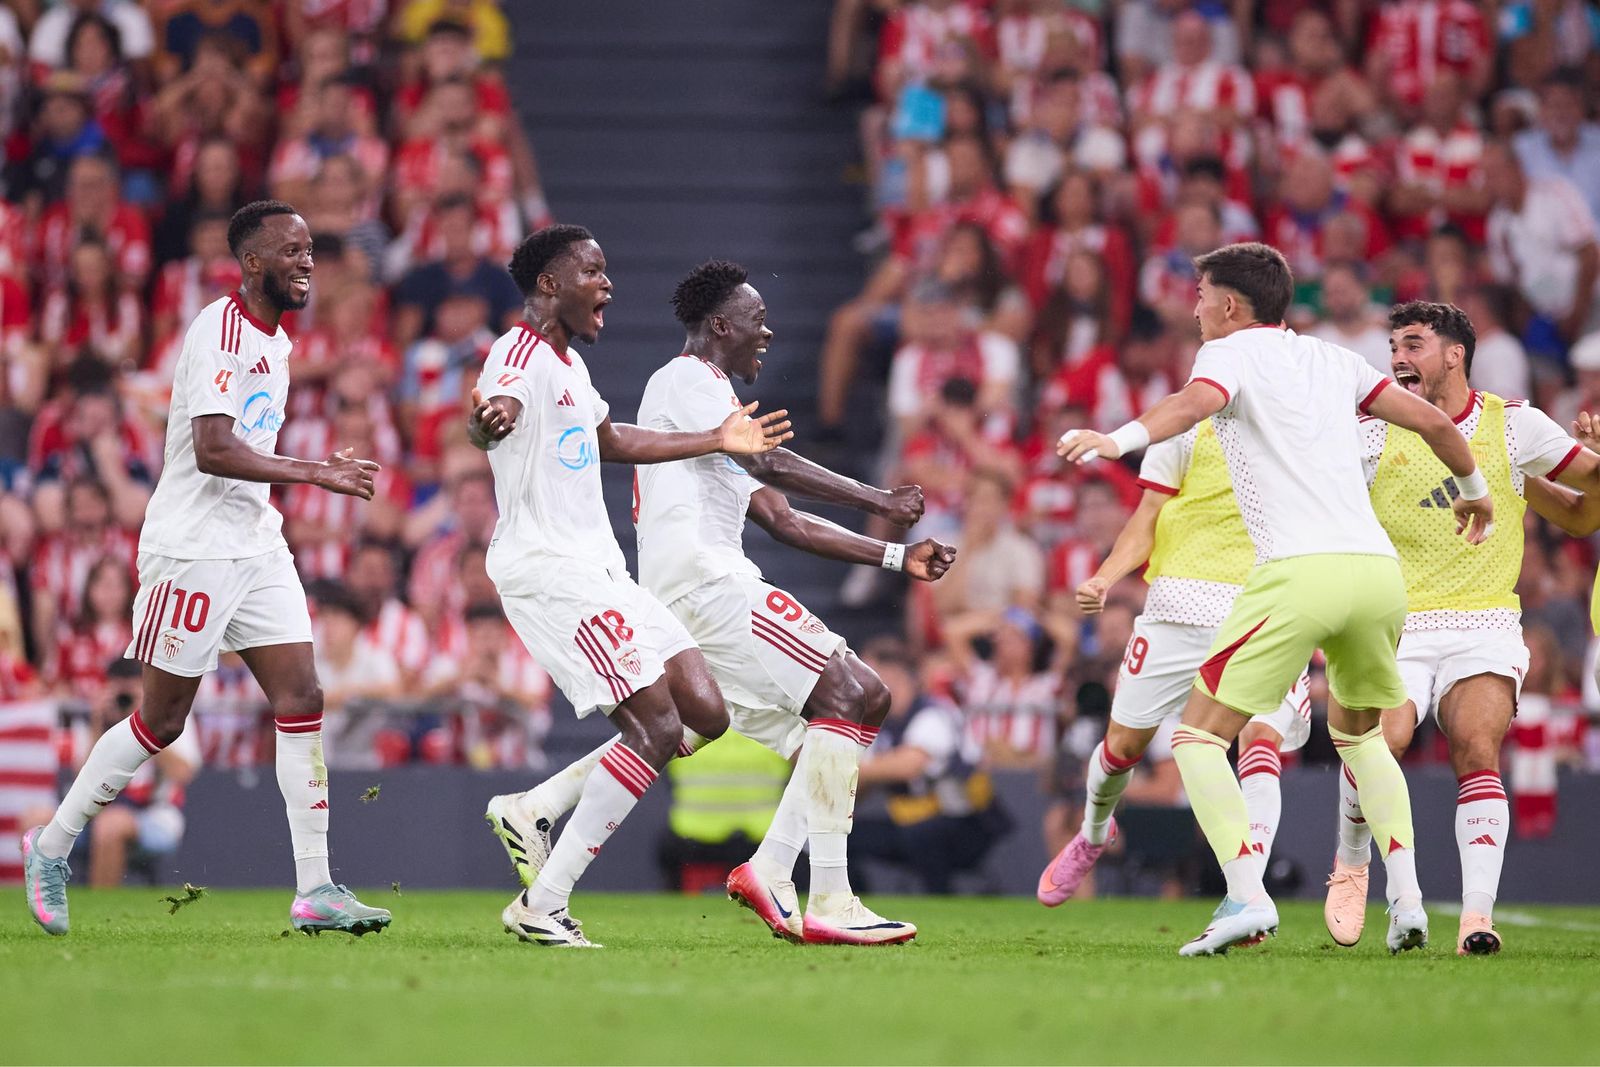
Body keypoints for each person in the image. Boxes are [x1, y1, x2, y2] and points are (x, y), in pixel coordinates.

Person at [483, 259, 954, 945]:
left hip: (697, 588)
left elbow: (785, 518)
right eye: (758, 324)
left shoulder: (720, 413)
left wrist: (893, 556)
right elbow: (769, 463)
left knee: (769, 723)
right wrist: (879, 497)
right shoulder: (686, 381)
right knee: (856, 692)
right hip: (706, 584)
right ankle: (821, 891)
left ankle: (546, 804)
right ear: (721, 325)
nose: (767, 335)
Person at [1058, 242, 1494, 955]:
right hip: (1378, 577)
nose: (1194, 307)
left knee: (1196, 736)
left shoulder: (1229, 353)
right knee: (1360, 738)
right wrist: (1476, 495)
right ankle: (1408, 902)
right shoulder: (1335, 360)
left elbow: (1191, 403)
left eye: (1200, 295)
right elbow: (1438, 423)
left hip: (1300, 571)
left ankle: (1244, 895)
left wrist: (1117, 438)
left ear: (1230, 305)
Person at [22, 200, 393, 938]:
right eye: (292, 250)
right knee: (161, 718)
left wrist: (294, 480)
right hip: (192, 545)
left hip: (255, 539)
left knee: (302, 692)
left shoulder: (278, 343)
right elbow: (214, 448)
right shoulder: (219, 331)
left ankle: (315, 887)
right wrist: (313, 471)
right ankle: (52, 846)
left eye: (311, 248)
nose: (307, 261)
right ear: (253, 263)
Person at [464, 227, 792, 947]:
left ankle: (536, 806)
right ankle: (542, 903)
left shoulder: (571, 367)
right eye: (593, 270)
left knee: (707, 710)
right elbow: (496, 409)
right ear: (550, 284)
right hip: (549, 568)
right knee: (656, 726)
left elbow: (615, 441)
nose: (607, 283)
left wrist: (715, 440)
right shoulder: (517, 356)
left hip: (602, 568)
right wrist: (491, 421)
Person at [1327, 301, 1600, 955]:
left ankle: (1477, 916)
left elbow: (1585, 516)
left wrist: (1595, 458)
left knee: (1478, 746)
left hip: (1483, 620)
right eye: (1393, 344)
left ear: (1455, 354)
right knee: (1382, 739)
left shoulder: (1514, 426)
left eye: (1413, 343)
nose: (1397, 356)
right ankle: (1350, 859)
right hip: (1399, 622)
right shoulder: (1371, 432)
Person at [1035, 412, 1311, 908]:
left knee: (1259, 738)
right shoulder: (1185, 431)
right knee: (1121, 746)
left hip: (1261, 605)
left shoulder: (1294, 429)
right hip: (1176, 609)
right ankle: (1093, 835)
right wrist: (1106, 576)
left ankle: (1247, 895)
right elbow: (1146, 519)